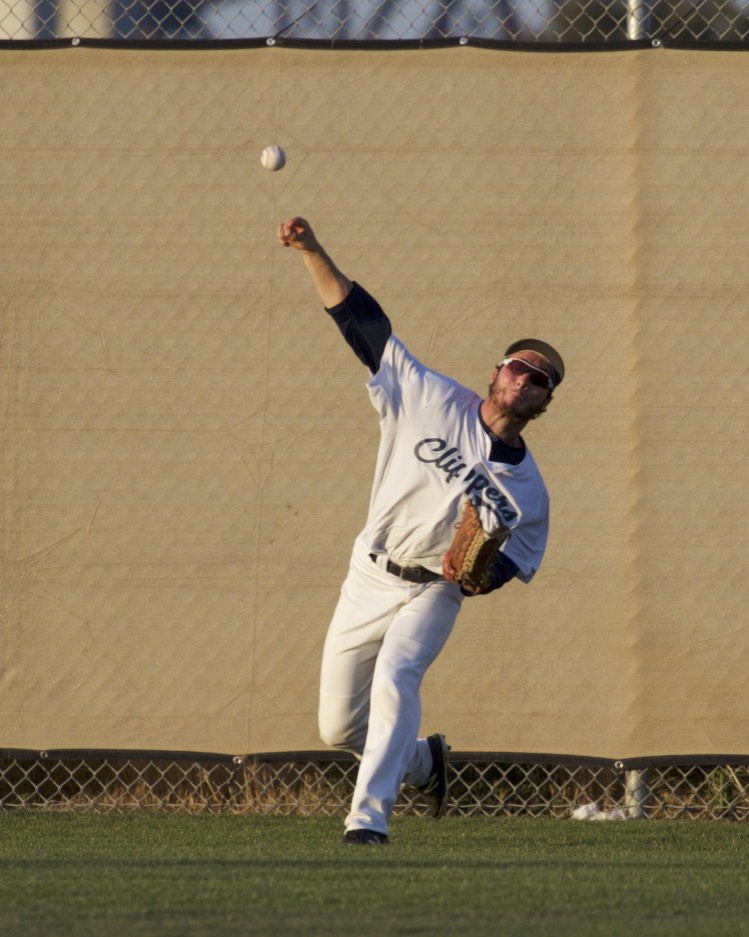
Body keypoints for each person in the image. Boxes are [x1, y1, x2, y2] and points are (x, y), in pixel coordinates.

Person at [277, 216, 564, 845]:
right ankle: (424, 764)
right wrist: (312, 250)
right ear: (497, 371)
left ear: (545, 403)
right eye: (519, 366)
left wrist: (479, 577)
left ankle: (368, 821)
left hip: (436, 588)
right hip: (370, 571)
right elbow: (360, 321)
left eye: (541, 379)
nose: (526, 379)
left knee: (397, 676)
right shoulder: (427, 395)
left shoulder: (530, 493)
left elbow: (515, 559)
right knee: (337, 727)